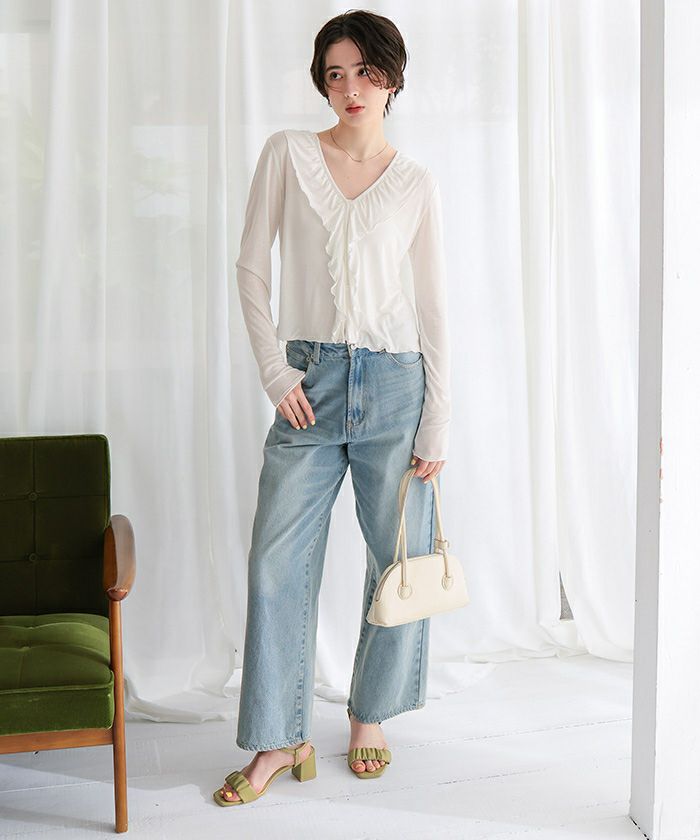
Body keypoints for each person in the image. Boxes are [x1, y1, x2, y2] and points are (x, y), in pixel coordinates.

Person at [214, 9, 451, 807]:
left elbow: (434, 306)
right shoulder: (287, 154)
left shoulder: (415, 183)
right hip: (307, 385)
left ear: (392, 78)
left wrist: (438, 418)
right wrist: (274, 371)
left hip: (395, 385)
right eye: (335, 73)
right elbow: (251, 267)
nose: (350, 88)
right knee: (275, 562)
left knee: (399, 560)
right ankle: (280, 738)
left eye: (365, 72)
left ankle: (369, 713)